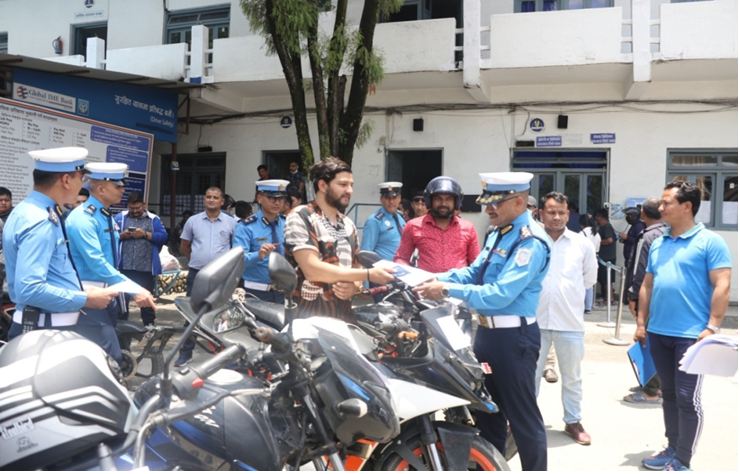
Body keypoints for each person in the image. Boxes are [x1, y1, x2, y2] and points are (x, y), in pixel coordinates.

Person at [415, 172, 551, 471]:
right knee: (488, 414)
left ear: (519, 202)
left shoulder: (530, 242)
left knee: (522, 419)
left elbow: (499, 294)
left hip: (514, 340)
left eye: (496, 203)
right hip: (487, 336)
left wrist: (446, 289)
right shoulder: (499, 232)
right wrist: (429, 277)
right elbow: (473, 273)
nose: (489, 209)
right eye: (487, 202)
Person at [635, 181, 731, 471]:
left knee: (688, 398)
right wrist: (641, 323)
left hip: (692, 335)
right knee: (669, 394)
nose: (660, 207)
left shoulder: (710, 241)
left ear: (687, 206)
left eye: (667, 202)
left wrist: (712, 326)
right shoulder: (659, 241)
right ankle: (672, 447)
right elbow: (647, 285)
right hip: (658, 332)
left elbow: (722, 284)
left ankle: (683, 460)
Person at [2, 147, 117, 341]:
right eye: (81, 178)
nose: (83, 185)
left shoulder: (29, 210)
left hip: (46, 326)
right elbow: (29, 289)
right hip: (46, 332)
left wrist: (80, 290)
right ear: (66, 180)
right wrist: (86, 299)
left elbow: (52, 274)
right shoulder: (41, 220)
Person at [65, 162, 156, 362]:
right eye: (118, 186)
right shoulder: (83, 219)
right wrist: (133, 289)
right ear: (101, 189)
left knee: (110, 354)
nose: (123, 190)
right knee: (106, 356)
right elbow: (96, 263)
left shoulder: (105, 216)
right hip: (89, 296)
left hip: (108, 294)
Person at [284, 157, 394, 320]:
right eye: (343, 184)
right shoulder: (301, 216)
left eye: (351, 185)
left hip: (343, 318)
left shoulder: (348, 224)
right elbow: (312, 270)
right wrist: (367, 275)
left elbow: (356, 267)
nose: (349, 190)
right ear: (322, 185)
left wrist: (354, 287)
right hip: (307, 318)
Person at [535, 192, 598, 446]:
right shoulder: (532, 241)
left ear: (568, 214)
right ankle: (526, 422)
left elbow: (589, 279)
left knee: (572, 377)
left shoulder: (581, 244)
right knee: (529, 377)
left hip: (569, 322)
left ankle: (573, 421)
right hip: (534, 322)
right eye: (551, 212)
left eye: (561, 212)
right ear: (541, 214)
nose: (556, 217)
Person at [176, 186, 236, 366]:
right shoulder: (193, 221)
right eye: (208, 197)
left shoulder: (231, 222)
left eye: (215, 197)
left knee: (223, 315)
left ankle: (225, 355)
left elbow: (236, 248)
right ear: (204, 199)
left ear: (222, 202)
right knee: (191, 314)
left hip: (222, 276)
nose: (211, 200)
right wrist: (195, 259)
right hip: (197, 274)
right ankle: (185, 353)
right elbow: (184, 245)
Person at [623, 197, 665, 405]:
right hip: (662, 297)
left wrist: (633, 295)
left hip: (648, 296)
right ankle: (656, 383)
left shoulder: (648, 236)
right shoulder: (668, 233)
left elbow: (641, 271)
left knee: (647, 340)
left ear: (643, 214)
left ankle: (651, 389)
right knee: (658, 340)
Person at [394, 176, 479, 273]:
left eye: (448, 199)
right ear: (430, 201)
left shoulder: (468, 228)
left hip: (458, 282)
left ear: (456, 202)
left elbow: (476, 264)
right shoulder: (413, 226)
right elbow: (401, 258)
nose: (443, 203)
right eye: (438, 199)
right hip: (426, 282)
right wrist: (409, 276)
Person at [114, 192, 168, 326]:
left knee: (146, 300)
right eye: (132, 208)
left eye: (138, 208)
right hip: (124, 268)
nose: (135, 211)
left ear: (144, 205)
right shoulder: (120, 218)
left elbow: (163, 237)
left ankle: (149, 327)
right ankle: (121, 328)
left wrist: (145, 234)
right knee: (121, 301)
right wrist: (121, 236)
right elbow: (109, 236)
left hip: (145, 268)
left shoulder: (153, 219)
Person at [233, 179, 288, 303]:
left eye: (281, 198)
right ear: (259, 198)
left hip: (283, 291)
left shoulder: (287, 223)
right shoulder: (246, 227)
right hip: (256, 292)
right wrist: (258, 255)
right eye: (271, 198)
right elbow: (238, 260)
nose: (277, 202)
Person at [361, 181, 405, 261]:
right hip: (383, 267)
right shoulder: (374, 221)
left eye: (394, 198)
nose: (391, 202)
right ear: (381, 199)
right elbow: (366, 253)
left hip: (401, 266)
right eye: (387, 198)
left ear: (399, 199)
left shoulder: (400, 218)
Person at [594, 208, 617, 305]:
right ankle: (605, 297)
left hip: (607, 257)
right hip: (604, 257)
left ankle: (610, 299)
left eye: (597, 216)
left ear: (601, 217)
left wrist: (597, 242)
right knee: (603, 280)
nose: (596, 218)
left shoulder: (607, 227)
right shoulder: (602, 227)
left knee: (607, 280)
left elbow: (609, 240)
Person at [579, 213, 601, 314]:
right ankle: (588, 306)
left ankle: (581, 305)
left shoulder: (581, 233)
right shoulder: (597, 234)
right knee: (590, 283)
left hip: (583, 259)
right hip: (594, 259)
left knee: (581, 282)